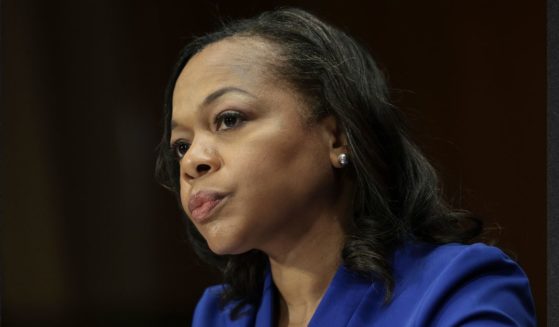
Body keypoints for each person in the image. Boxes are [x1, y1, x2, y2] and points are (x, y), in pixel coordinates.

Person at [155, 8, 536, 327]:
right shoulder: (223, 316)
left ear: (337, 136)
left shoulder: (459, 287)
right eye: (181, 145)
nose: (191, 161)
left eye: (229, 119)